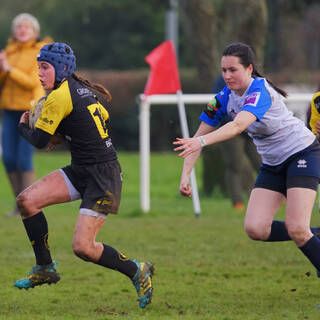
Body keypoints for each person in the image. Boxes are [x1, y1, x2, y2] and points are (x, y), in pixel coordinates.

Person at [14, 42, 154, 309]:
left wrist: (22, 127)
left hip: (103, 177)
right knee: (26, 202)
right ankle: (45, 267)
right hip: (81, 169)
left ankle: (137, 269)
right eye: (38, 68)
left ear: (61, 68)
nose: (40, 73)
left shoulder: (59, 96)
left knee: (83, 247)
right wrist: (64, 133)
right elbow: (96, 121)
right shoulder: (78, 91)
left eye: (45, 68)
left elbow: (39, 141)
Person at [173, 41, 320, 278]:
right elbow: (196, 139)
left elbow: (238, 125)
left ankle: (307, 236)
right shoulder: (223, 98)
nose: (227, 76)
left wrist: (199, 142)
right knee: (256, 228)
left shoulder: (259, 91)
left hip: (301, 153)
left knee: (297, 228)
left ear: (249, 69)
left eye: (233, 70)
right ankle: (314, 235)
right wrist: (185, 175)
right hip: (273, 164)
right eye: (224, 70)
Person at [0, 13, 50, 216]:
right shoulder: (9, 52)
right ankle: (20, 204)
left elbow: (33, 81)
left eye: (27, 27)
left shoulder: (40, 52)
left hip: (28, 112)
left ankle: (29, 205)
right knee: (9, 159)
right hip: (8, 111)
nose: (22, 30)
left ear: (35, 32)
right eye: (19, 26)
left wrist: (9, 69)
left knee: (23, 159)